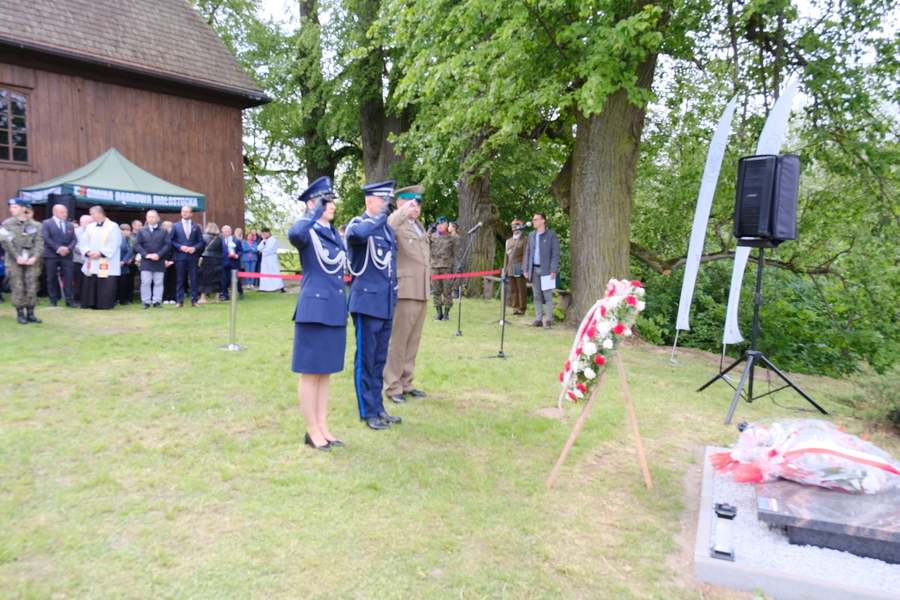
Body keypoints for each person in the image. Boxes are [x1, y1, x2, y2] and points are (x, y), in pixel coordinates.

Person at [288, 176, 348, 450]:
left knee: (325, 372)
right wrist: (312, 210)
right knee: (311, 372)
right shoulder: (308, 229)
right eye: (327, 200)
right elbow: (295, 233)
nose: (332, 204)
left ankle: (323, 427)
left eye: (332, 199)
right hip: (314, 308)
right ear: (313, 203)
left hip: (334, 306)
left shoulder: (334, 232)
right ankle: (311, 430)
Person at [345, 180, 403, 430]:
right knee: (365, 359)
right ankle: (367, 411)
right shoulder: (358, 225)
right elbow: (358, 237)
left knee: (380, 359)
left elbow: (390, 267)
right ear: (370, 201)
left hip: (385, 301)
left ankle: (378, 406)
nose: (386, 205)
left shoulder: (386, 231)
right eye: (383, 200)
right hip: (366, 301)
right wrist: (381, 216)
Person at [383, 185, 430, 404]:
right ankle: (392, 386)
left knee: (413, 341)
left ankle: (406, 382)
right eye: (412, 203)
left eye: (418, 203)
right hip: (405, 290)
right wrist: (400, 212)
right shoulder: (396, 222)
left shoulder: (419, 226)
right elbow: (389, 227)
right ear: (401, 203)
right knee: (399, 340)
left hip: (420, 290)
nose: (416, 207)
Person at [0, 198, 44, 324]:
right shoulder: (7, 224)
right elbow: (6, 242)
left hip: (31, 261)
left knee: (31, 285)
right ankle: (20, 314)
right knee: (17, 286)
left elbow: (39, 243)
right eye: (10, 207)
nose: (12, 210)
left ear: (24, 208)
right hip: (14, 261)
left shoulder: (36, 225)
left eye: (15, 207)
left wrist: (34, 257)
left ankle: (31, 313)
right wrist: (17, 256)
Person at [79, 205, 123, 310]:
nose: (91, 216)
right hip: (92, 260)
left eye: (92, 214)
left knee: (105, 283)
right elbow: (83, 242)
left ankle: (104, 304)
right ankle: (90, 303)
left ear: (100, 214)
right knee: (92, 280)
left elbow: (115, 243)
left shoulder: (113, 226)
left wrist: (101, 253)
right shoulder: (90, 227)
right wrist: (88, 252)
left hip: (106, 261)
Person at [524, 212, 560, 329]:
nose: (533, 221)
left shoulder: (551, 235)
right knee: (537, 295)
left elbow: (555, 254)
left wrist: (553, 270)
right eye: (533, 219)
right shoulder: (531, 235)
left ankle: (548, 320)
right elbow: (528, 252)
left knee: (547, 295)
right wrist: (526, 269)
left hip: (546, 270)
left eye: (536, 219)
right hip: (534, 268)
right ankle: (538, 319)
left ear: (543, 221)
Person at [41, 203, 77, 308]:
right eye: (62, 212)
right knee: (51, 278)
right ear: (54, 212)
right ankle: (53, 300)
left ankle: (69, 300)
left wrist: (68, 248)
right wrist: (58, 248)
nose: (65, 214)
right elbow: (46, 238)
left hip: (67, 256)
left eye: (66, 212)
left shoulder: (69, 225)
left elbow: (74, 240)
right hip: (51, 255)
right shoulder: (47, 223)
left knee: (68, 277)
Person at [134, 209, 172, 308]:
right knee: (145, 282)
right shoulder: (142, 230)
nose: (151, 219)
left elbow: (167, 245)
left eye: (153, 217)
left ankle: (157, 301)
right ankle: (146, 301)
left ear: (158, 218)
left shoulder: (163, 231)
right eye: (149, 217)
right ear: (146, 218)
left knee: (158, 281)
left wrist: (159, 255)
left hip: (159, 260)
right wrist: (145, 255)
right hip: (146, 260)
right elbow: (137, 245)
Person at [170, 205, 205, 307]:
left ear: (191, 214)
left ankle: (194, 300)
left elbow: (201, 241)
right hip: (180, 255)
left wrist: (194, 248)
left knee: (194, 278)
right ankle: (179, 300)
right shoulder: (175, 226)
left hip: (192, 256)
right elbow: (171, 240)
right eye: (183, 211)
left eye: (186, 211)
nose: (184, 213)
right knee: (180, 279)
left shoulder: (196, 227)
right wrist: (180, 247)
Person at [429, 216, 460, 321]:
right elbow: (422, 241)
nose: (439, 226)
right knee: (436, 291)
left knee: (447, 291)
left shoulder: (451, 238)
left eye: (442, 224)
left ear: (446, 225)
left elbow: (456, 254)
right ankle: (439, 313)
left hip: (447, 266)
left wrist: (456, 268)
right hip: (434, 266)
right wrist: (430, 230)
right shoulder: (431, 237)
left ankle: (446, 314)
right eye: (437, 224)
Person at [504, 219, 528, 316]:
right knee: (513, 289)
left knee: (521, 289)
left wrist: (523, 267)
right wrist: (505, 268)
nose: (514, 229)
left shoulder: (524, 240)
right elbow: (506, 256)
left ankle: (522, 309)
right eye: (513, 227)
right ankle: (515, 308)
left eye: (516, 227)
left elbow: (525, 255)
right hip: (510, 267)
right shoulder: (508, 241)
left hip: (519, 266)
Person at [72, 214, 92, 304]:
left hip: (90, 261)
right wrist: (87, 252)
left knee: (87, 281)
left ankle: (86, 298)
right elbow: (75, 246)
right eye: (88, 222)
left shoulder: (93, 232)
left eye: (92, 222)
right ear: (81, 222)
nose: (90, 223)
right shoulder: (75, 231)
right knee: (79, 281)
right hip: (78, 260)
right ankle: (77, 299)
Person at [220, 225, 243, 300]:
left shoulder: (236, 241)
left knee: (236, 279)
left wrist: (237, 255)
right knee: (224, 279)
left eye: (226, 232)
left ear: (230, 232)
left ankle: (240, 291)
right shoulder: (221, 241)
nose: (224, 233)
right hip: (224, 262)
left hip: (234, 263)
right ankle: (225, 295)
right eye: (223, 232)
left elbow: (241, 251)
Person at [258, 228, 284, 292]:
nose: (264, 235)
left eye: (264, 233)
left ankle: (280, 287)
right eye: (263, 234)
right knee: (265, 272)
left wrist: (263, 251)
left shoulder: (273, 239)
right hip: (265, 259)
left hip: (271, 257)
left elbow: (269, 249)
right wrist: (263, 242)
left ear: (268, 232)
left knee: (274, 271)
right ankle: (264, 287)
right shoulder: (264, 240)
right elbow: (259, 248)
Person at [117, 223, 136, 305]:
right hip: (115, 265)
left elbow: (129, 251)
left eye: (129, 230)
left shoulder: (129, 240)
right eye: (126, 230)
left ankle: (123, 299)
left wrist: (124, 261)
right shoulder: (116, 239)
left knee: (124, 283)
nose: (128, 232)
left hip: (124, 266)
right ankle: (115, 299)